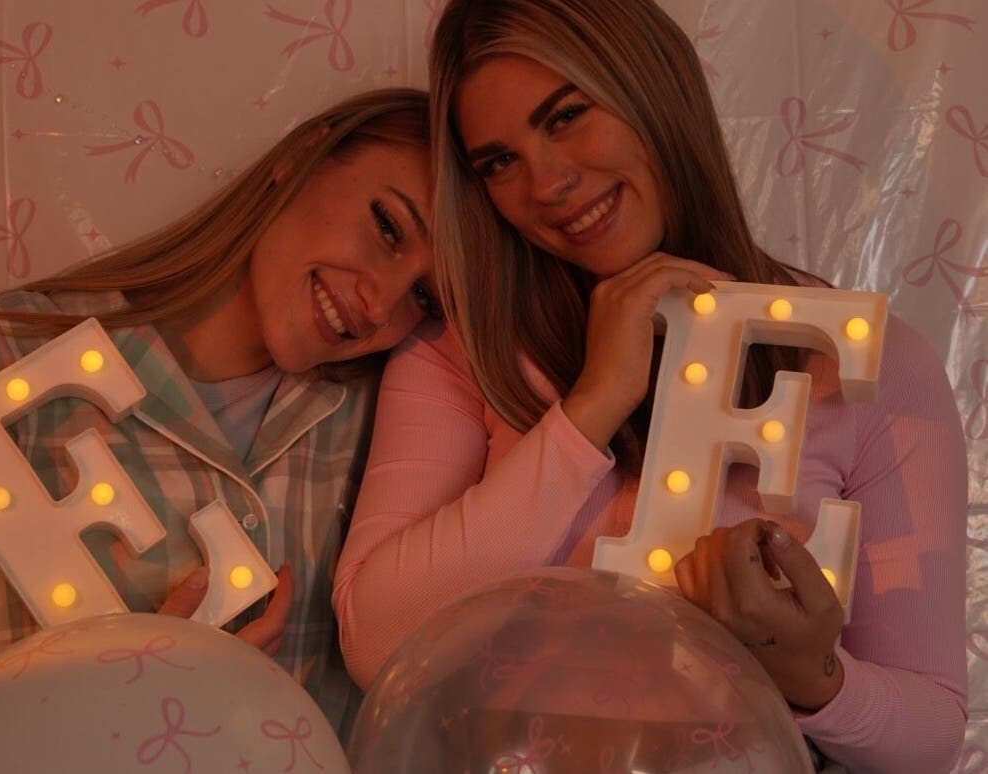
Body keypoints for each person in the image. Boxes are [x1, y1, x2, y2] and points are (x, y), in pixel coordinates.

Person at [331, 2, 968, 771]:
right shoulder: (463, 355)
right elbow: (376, 641)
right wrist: (592, 407)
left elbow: (934, 734)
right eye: (499, 162)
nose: (548, 184)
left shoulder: (868, 362)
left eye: (566, 117)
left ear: (652, 91)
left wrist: (813, 679)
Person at [0, 87, 440, 738]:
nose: (381, 306)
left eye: (425, 296)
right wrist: (100, 722)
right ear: (303, 157)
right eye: (388, 227)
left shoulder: (389, 430)